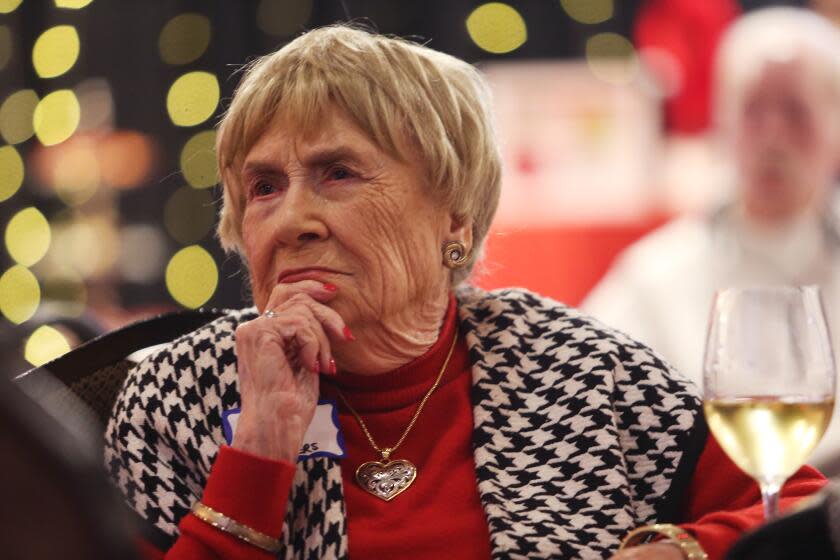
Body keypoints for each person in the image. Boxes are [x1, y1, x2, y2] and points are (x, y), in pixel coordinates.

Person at [104, 24, 825, 560]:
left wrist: (678, 552)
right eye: (263, 188)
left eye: (338, 173)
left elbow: (796, 508)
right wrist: (257, 453)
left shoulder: (577, 371)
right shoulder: (180, 397)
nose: (292, 220)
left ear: (454, 215)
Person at [583, 7, 840, 470]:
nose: (773, 138)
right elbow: (580, 407)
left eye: (795, 111)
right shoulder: (654, 276)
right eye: (753, 110)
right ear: (722, 120)